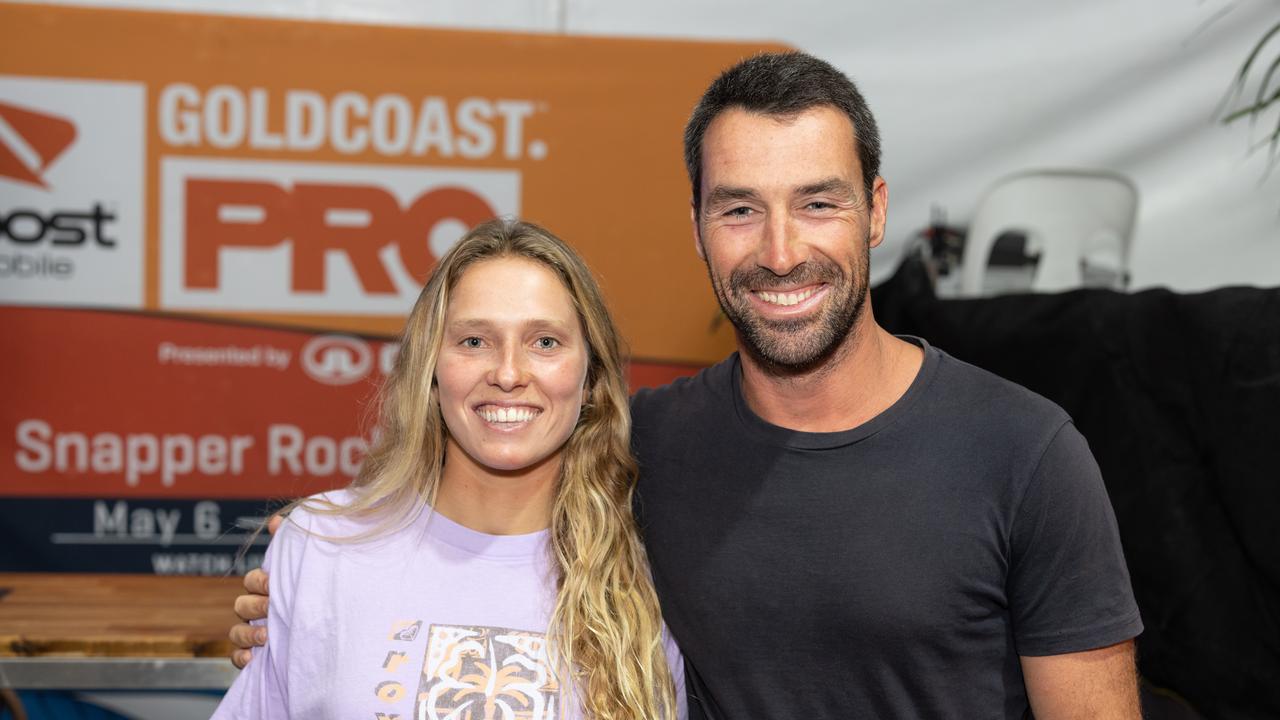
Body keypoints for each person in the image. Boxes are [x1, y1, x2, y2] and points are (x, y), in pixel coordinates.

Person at [232, 52, 1143, 718]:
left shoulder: (1025, 453)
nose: (781, 251)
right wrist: (315, 570)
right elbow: (472, 523)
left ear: (876, 211)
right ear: (699, 228)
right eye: (740, 209)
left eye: (818, 202)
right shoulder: (646, 450)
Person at [213, 219, 684, 720]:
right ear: (430, 371)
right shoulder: (322, 542)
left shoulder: (656, 575)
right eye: (474, 341)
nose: (507, 374)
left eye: (544, 342)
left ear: (591, 377)